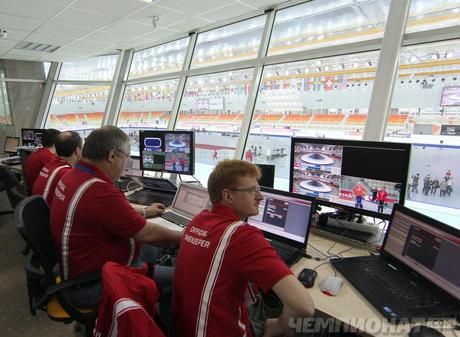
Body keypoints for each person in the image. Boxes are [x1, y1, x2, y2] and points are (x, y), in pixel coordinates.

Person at [171, 159, 314, 337]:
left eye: (258, 189)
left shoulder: (198, 220)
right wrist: (276, 326)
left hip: (181, 327)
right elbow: (304, 307)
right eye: (251, 190)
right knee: (308, 329)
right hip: (218, 331)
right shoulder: (243, 237)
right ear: (228, 196)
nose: (260, 197)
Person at [50, 126, 182, 310]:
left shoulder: (73, 176)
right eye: (127, 157)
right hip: (91, 285)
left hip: (80, 269)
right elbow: (148, 235)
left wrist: (145, 212)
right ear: (112, 155)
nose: (127, 163)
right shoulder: (99, 190)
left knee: (151, 251)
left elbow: (107, 213)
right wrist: (188, 235)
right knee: (179, 280)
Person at [32, 131, 82, 206]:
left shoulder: (51, 164)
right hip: (46, 214)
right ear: (78, 150)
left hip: (36, 209)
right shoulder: (66, 173)